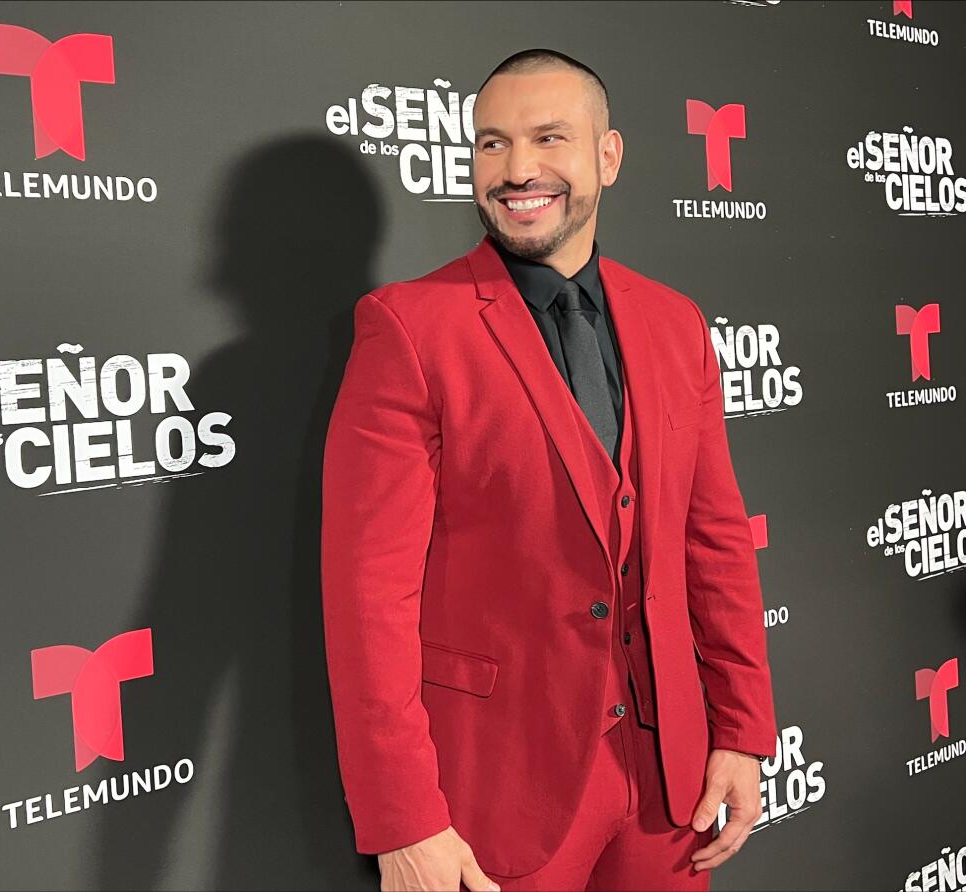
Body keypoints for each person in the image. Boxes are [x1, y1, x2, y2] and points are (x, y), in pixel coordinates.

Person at [320, 48, 777, 892]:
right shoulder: (410, 328)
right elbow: (367, 597)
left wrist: (743, 730)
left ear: (607, 155)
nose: (517, 169)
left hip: (668, 786)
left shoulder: (676, 324)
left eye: (548, 138)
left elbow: (713, 543)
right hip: (497, 792)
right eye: (491, 144)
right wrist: (404, 816)